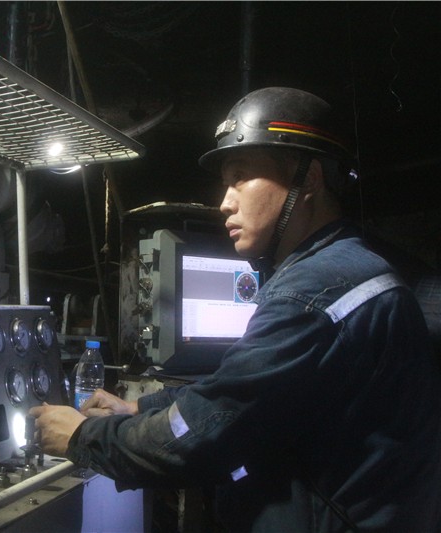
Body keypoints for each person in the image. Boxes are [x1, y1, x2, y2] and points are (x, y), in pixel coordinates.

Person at [30, 87, 441, 531]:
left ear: (309, 180)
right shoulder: (351, 266)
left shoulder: (311, 295)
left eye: (241, 177)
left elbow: (206, 435)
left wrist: (81, 436)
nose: (225, 202)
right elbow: (242, 394)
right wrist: (139, 409)